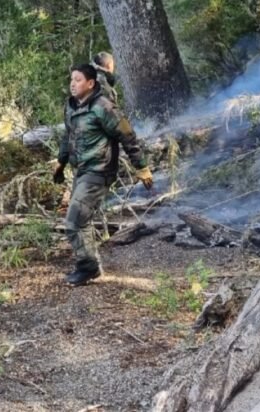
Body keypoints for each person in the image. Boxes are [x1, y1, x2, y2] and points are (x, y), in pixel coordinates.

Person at [54, 64, 153, 286]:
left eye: (78, 80)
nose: (72, 83)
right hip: (81, 170)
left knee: (75, 221)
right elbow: (68, 136)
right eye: (71, 79)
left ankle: (88, 268)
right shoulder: (71, 107)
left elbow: (127, 136)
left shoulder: (103, 107)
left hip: (99, 171)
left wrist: (142, 167)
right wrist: (61, 162)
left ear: (91, 83)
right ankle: (90, 265)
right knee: (80, 219)